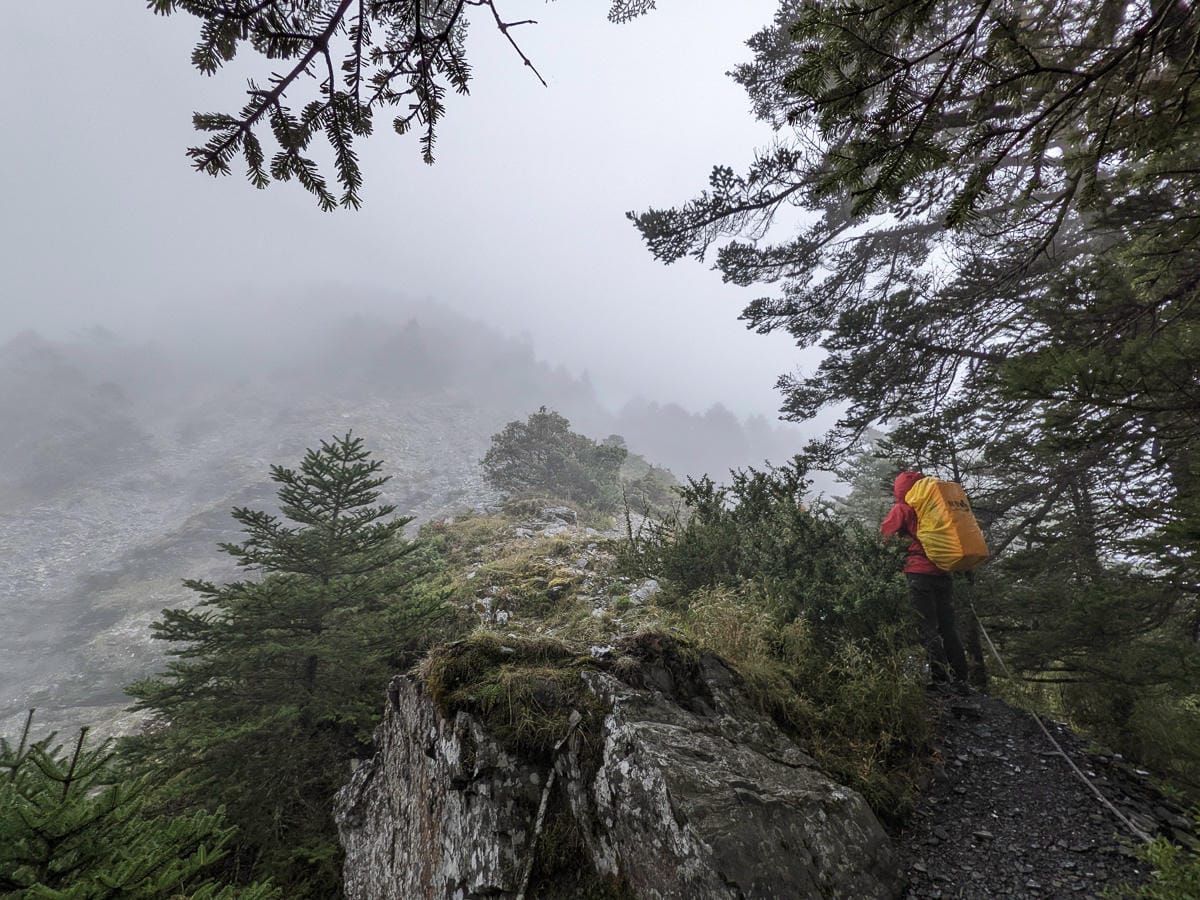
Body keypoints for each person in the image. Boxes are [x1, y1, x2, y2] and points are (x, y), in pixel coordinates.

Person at [881, 470, 971, 693]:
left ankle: (940, 679)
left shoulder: (903, 508)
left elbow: (884, 536)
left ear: (900, 489)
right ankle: (961, 678)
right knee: (948, 627)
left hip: (918, 574)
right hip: (943, 572)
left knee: (927, 627)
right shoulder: (935, 506)